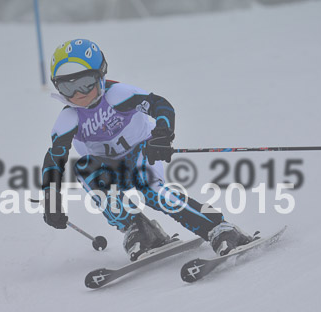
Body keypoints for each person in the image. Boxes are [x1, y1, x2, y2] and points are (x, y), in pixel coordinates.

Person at [41, 38, 253, 261]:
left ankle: (219, 228)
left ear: (100, 75)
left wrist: (162, 135)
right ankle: (139, 228)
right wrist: (51, 198)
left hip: (142, 151)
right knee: (84, 168)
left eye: (85, 83)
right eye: (68, 87)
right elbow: (55, 158)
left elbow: (159, 104)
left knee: (151, 191)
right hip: (110, 168)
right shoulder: (68, 119)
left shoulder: (118, 95)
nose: (78, 95)